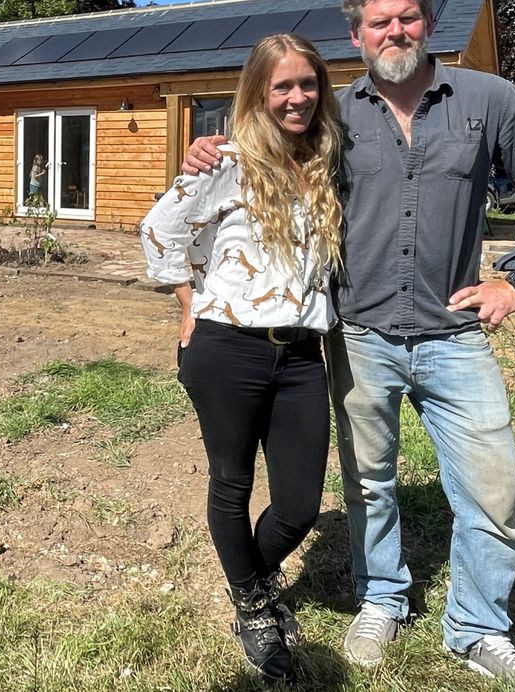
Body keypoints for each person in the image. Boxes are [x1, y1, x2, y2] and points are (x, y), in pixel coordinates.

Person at [183, 0, 515, 692]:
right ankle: (382, 597)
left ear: (428, 22)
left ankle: (479, 629)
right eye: (379, 22)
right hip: (358, 332)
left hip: (453, 334)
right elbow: (262, 152)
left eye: (407, 18)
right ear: (357, 34)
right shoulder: (335, 114)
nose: (395, 31)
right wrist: (208, 149)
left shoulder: (487, 99)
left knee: (493, 489)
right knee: (369, 483)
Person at [142, 33, 343, 683]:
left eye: (307, 84)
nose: (296, 96)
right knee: (230, 483)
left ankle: (250, 580)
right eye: (282, 85)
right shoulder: (224, 159)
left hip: (303, 354)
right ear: (258, 92)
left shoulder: (328, 159)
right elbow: (160, 229)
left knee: (299, 505)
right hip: (227, 347)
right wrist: (186, 303)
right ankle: (255, 605)